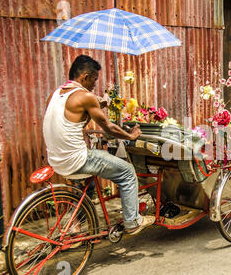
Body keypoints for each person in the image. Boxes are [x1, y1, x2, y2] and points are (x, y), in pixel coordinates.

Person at [43, 55, 155, 235]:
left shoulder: (55, 94)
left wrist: (97, 101)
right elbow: (109, 127)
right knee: (127, 172)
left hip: (56, 160)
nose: (94, 85)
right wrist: (131, 135)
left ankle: (75, 224)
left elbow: (72, 114)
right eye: (94, 80)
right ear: (85, 77)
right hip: (76, 159)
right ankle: (133, 221)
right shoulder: (85, 96)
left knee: (89, 183)